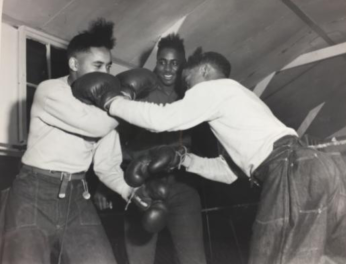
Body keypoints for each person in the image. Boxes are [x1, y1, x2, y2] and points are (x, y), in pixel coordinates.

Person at [73, 48, 346, 264]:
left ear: (204, 71)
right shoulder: (242, 102)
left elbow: (162, 119)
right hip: (320, 166)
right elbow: (228, 172)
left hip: (290, 170)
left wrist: (113, 102)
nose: (189, 91)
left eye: (188, 82)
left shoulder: (214, 88)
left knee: (269, 255)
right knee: (327, 256)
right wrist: (184, 159)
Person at [0, 18, 134, 264]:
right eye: (98, 65)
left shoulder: (105, 107)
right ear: (74, 63)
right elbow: (97, 125)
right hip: (34, 194)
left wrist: (130, 191)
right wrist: (126, 100)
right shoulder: (50, 90)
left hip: (77, 197)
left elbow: (106, 166)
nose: (105, 73)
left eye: (108, 66)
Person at [94, 34, 207, 264]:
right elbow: (113, 138)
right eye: (162, 61)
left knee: (194, 259)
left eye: (174, 63)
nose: (167, 68)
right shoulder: (139, 93)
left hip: (181, 187)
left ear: (182, 64)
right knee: (139, 259)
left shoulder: (193, 96)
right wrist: (102, 187)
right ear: (156, 62)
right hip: (142, 187)